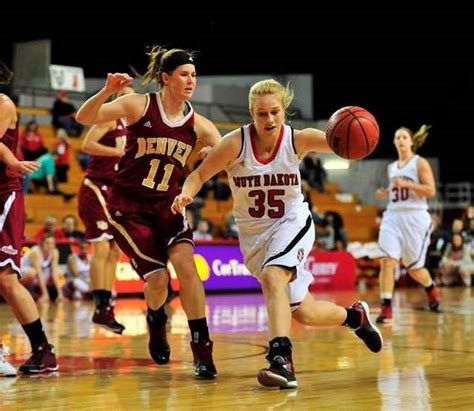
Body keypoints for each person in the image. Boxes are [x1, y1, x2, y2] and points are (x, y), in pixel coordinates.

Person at [172, 79, 383, 389]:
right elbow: (199, 174)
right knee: (304, 313)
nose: (269, 120)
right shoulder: (234, 144)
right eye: (261, 114)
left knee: (274, 276)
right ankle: (356, 318)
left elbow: (342, 141)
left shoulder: (297, 140)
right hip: (255, 237)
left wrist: (356, 142)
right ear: (251, 114)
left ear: (284, 111)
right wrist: (186, 194)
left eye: (274, 112)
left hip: (292, 223)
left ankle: (281, 360)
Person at [76, 45, 221, 378]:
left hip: (169, 203)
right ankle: (157, 322)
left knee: (186, 267)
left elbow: (233, 156)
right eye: (184, 74)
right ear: (166, 78)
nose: (190, 80)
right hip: (129, 206)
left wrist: (217, 155)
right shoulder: (138, 104)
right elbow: (84, 118)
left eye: (194, 75)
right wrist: (107, 91)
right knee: (157, 280)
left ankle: (201, 346)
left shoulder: (200, 125)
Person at [0, 60, 58, 373]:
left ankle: (42, 350)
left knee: (6, 279)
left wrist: (12, 159)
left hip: (4, 196)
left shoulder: (3, 103)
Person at [78, 86, 134, 334]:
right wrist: (117, 152)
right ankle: (100, 304)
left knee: (114, 250)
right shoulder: (110, 118)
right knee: (100, 246)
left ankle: (106, 307)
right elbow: (87, 144)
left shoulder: (132, 127)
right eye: (127, 97)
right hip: (95, 187)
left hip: (114, 190)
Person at [375, 125, 441, 324]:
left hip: (415, 218)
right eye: (397, 137)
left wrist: (408, 185)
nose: (401, 140)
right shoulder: (392, 167)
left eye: (404, 137)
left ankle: (430, 287)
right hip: (393, 216)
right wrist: (386, 193)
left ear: (412, 142)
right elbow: (398, 190)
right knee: (387, 260)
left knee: (414, 270)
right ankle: (386, 307)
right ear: (394, 142)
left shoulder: (419, 163)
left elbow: (430, 191)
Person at [20, 234, 65, 303]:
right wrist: (45, 294)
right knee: (32, 272)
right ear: (41, 243)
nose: (50, 245)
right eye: (47, 243)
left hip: (37, 275)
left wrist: (60, 294)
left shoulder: (55, 252)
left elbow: (54, 272)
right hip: (22, 274)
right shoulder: (35, 251)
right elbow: (39, 272)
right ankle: (20, 293)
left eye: (52, 243)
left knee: (58, 273)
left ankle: (57, 295)